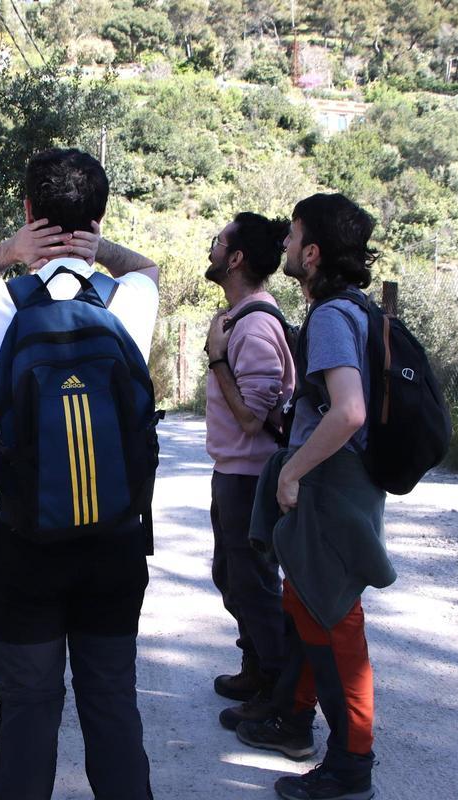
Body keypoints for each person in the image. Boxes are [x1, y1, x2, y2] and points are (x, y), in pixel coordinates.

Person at [0, 147, 159, 800]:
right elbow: (148, 267)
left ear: (28, 212)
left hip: (27, 546)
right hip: (115, 542)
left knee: (29, 712)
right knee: (112, 703)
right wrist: (98, 245)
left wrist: (7, 250)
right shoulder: (129, 300)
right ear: (99, 215)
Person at [237, 193, 395, 800]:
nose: (283, 246)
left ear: (314, 251)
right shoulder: (356, 311)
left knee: (338, 622)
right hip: (339, 481)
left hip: (330, 482)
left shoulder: (331, 316)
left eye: (292, 235)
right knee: (306, 606)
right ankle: (297, 720)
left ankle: (351, 765)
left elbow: (349, 411)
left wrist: (291, 471)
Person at [201, 213, 297, 731]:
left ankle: (279, 694)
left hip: (251, 477)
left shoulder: (255, 325)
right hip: (237, 473)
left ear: (235, 258)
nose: (212, 247)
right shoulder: (244, 316)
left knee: (254, 585)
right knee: (234, 576)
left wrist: (217, 359)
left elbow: (253, 417)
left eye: (219, 241)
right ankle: (256, 666)